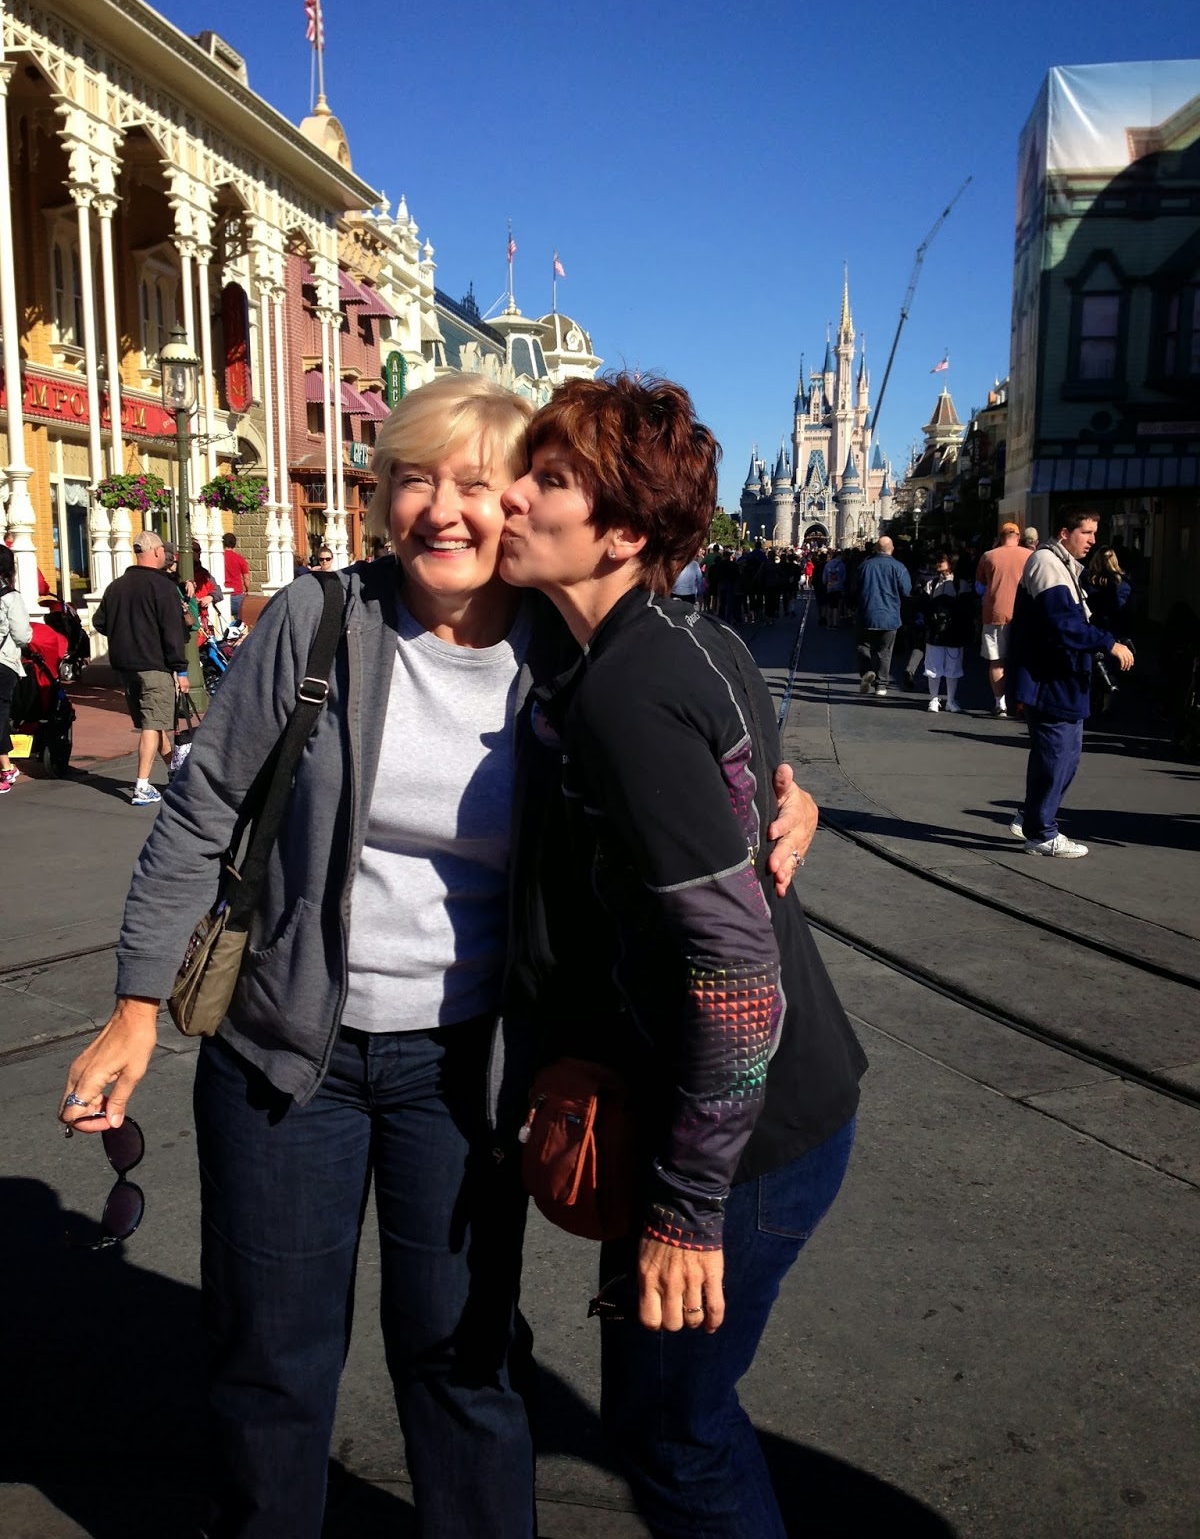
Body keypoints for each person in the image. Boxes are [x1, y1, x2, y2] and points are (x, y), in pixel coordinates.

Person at [58, 374, 815, 1538]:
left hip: (467, 1068)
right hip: (284, 1056)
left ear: (516, 502)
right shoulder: (318, 618)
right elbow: (203, 809)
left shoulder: (565, 651)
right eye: (415, 478)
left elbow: (707, 728)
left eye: (475, 481)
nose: (443, 508)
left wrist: (786, 801)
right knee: (270, 1362)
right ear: (382, 497)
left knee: (463, 1360)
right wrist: (135, 1004)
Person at [498, 373, 867, 1539]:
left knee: (672, 1430)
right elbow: (753, 806)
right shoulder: (686, 638)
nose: (510, 497)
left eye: (547, 480)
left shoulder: (629, 689)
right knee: (678, 1419)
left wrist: (686, 1207)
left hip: (736, 1144)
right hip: (785, 1110)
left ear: (621, 529)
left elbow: (736, 971)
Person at [1008, 507, 1134, 858]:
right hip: (1050, 678)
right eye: (1086, 533)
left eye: (1094, 533)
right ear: (1065, 533)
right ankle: (1041, 832)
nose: (1093, 540)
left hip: (1063, 676)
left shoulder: (1062, 564)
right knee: (1056, 756)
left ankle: (1033, 816)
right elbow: (1063, 623)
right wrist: (1108, 643)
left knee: (1065, 757)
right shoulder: (1048, 563)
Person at [92, 529, 190, 806]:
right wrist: (181, 670)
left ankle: (174, 770)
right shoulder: (162, 587)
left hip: (126, 666)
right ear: (157, 552)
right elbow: (173, 632)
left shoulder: (117, 586)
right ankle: (142, 785)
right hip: (154, 665)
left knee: (154, 721)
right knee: (152, 723)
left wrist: (125, 633)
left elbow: (100, 622)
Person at [975, 522, 1028, 717]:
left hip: (995, 613)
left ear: (1000, 537)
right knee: (1024, 659)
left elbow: (981, 582)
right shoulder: (1029, 556)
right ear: (1018, 537)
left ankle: (1000, 703)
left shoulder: (988, 556)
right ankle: (1022, 702)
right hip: (1022, 613)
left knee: (996, 661)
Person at [853, 535, 911, 696]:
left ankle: (867, 671)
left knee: (863, 645)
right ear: (892, 549)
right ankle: (881, 685)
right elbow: (906, 591)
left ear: (875, 549)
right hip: (890, 616)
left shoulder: (864, 566)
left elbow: (853, 588)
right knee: (884, 651)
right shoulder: (899, 567)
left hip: (867, 613)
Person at [0, 545, 32, 794]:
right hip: (4, 661)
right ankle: (6, 767)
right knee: (1, 713)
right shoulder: (10, 597)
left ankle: (6, 767)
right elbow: (22, 635)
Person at [923, 553, 972, 712]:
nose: (938, 563)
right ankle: (933, 699)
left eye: (941, 561)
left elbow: (966, 609)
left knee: (953, 667)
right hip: (935, 632)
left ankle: (950, 700)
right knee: (933, 667)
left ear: (951, 564)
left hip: (954, 632)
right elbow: (924, 607)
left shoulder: (961, 585)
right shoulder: (931, 584)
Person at [222, 532, 252, 623]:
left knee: (222, 621)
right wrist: (247, 590)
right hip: (237, 593)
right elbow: (246, 578)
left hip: (222, 593)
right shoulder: (239, 559)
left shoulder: (219, 557)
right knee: (240, 623)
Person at [821, 548, 845, 627]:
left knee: (829, 605)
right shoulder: (842, 565)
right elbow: (844, 577)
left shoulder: (828, 564)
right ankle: (834, 622)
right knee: (836, 606)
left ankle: (829, 622)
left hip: (829, 587)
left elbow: (824, 578)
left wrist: (826, 583)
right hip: (838, 588)